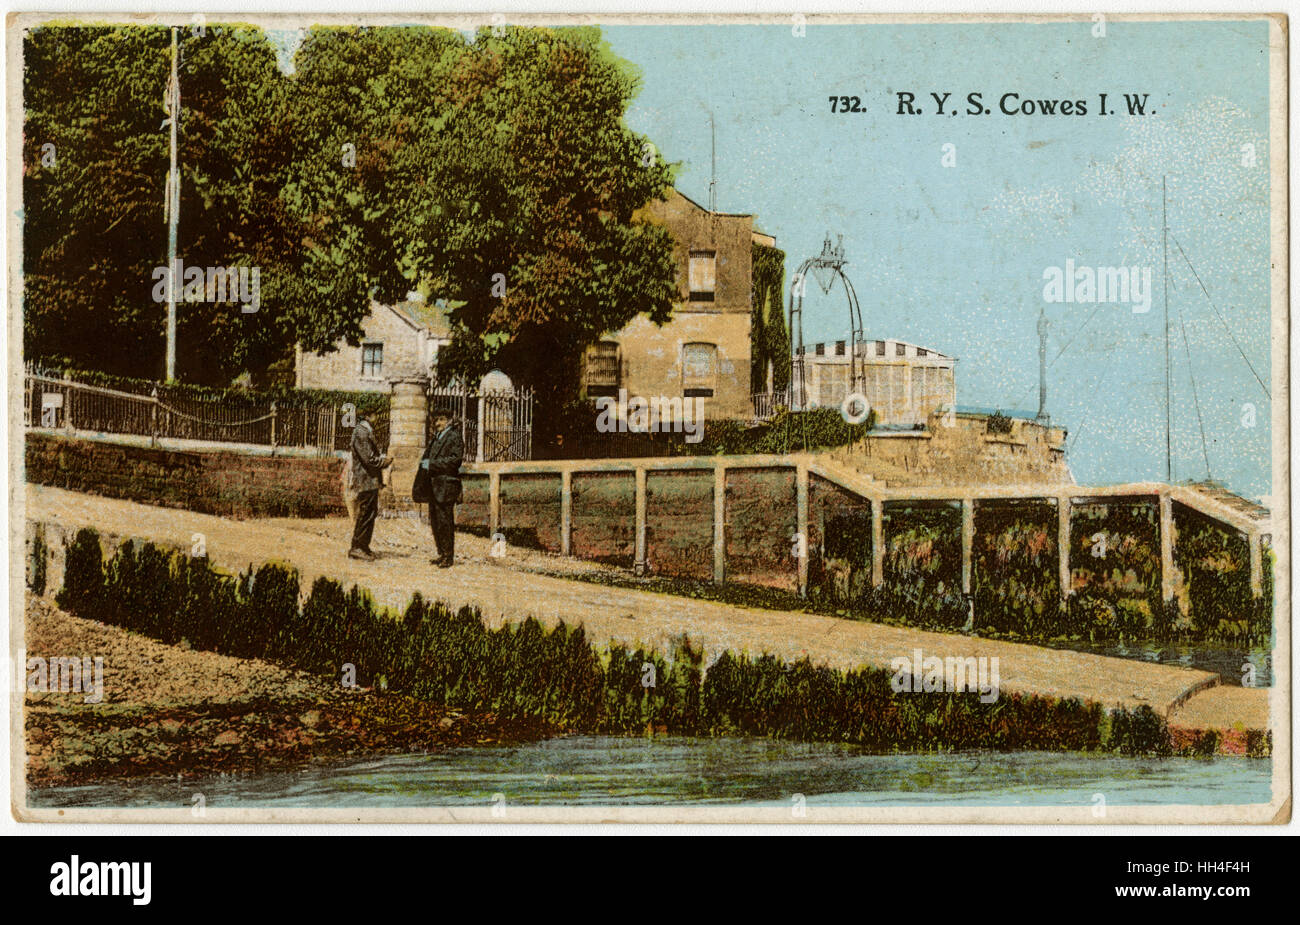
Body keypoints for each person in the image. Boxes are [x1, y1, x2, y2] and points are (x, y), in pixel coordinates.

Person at [419, 411, 464, 567]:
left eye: (441, 419)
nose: (437, 423)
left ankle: (448, 556)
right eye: (436, 420)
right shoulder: (436, 437)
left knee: (445, 522)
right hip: (434, 486)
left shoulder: (454, 436)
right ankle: (441, 553)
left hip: (446, 485)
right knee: (436, 522)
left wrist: (432, 465)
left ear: (449, 420)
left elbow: (455, 460)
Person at [348, 413, 391, 560]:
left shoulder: (366, 431)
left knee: (370, 513)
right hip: (365, 479)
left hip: (370, 479)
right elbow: (368, 458)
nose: (377, 417)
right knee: (365, 513)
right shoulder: (361, 432)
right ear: (368, 415)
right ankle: (357, 547)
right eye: (374, 414)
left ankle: (363, 546)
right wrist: (383, 462)